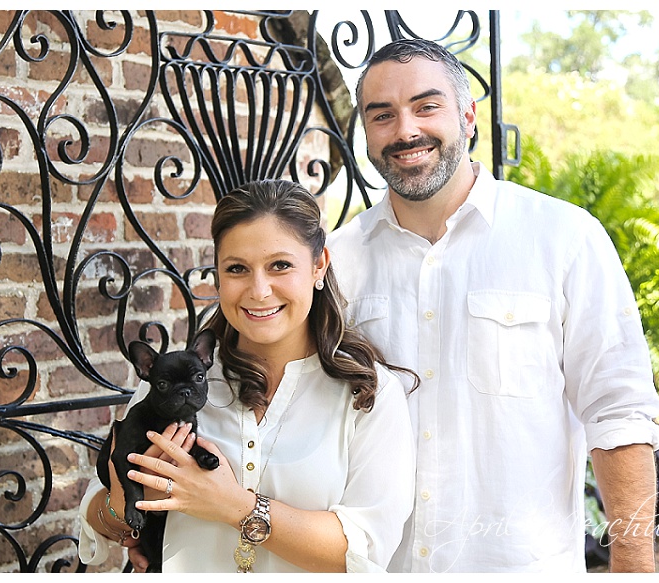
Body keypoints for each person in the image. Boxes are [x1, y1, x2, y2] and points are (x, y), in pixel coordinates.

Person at [325, 39, 659, 573]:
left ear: (467, 115)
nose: (406, 130)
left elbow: (618, 415)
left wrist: (634, 568)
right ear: (365, 131)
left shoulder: (565, 238)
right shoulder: (338, 260)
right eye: (382, 115)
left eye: (426, 106)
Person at [77, 179, 417, 572]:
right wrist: (125, 504)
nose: (258, 290)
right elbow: (99, 517)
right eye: (237, 268)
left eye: (280, 265)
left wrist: (234, 505)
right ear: (218, 277)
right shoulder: (181, 380)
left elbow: (363, 553)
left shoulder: (368, 393)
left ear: (319, 265)